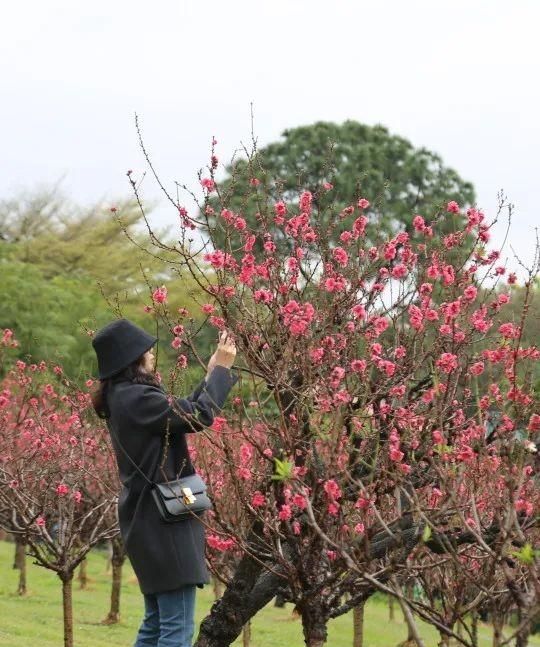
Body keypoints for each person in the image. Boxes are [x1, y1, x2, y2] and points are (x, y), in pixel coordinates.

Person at [91, 318, 237, 647]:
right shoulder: (138, 398)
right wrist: (222, 371)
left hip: (145, 519)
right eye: (147, 352)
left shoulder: (124, 397)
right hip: (164, 522)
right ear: (133, 360)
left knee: (157, 623)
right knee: (176, 628)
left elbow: (182, 411)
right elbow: (199, 416)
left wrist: (213, 373)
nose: (152, 357)